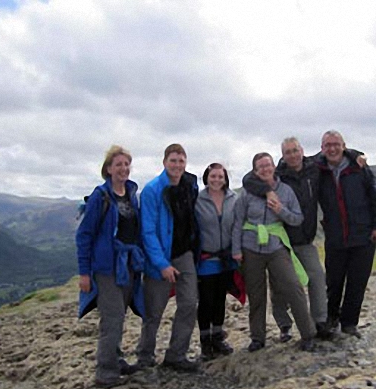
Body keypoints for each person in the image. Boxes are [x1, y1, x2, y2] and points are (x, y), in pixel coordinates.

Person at [242, 137, 365, 342]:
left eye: (295, 150)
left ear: (302, 151)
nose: (292, 155)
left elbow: (334, 151)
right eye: (288, 152)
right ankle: (284, 326)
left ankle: (320, 322)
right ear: (282, 156)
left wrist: (354, 154)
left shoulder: (314, 168)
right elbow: (248, 179)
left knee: (316, 277)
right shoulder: (278, 172)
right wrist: (267, 190)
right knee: (280, 286)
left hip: (305, 238)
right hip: (282, 240)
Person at [76, 145, 145, 388]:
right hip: (106, 267)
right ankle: (105, 372)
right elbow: (84, 235)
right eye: (118, 165)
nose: (123, 169)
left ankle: (115, 359)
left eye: (126, 164)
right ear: (108, 169)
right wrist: (84, 273)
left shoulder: (131, 194)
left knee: (120, 314)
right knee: (112, 317)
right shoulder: (100, 197)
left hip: (127, 265)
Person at [232, 152, 316, 352]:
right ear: (255, 170)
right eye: (260, 166)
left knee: (293, 287)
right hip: (250, 248)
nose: (265, 169)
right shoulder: (246, 193)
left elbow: (297, 218)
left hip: (276, 247)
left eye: (268, 165)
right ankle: (257, 338)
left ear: (273, 167)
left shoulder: (285, 191)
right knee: (256, 294)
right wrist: (236, 250)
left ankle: (307, 334)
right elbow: (237, 222)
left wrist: (280, 210)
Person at [316, 130, 376, 338]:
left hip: (363, 235)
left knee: (357, 282)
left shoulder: (359, 168)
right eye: (327, 145)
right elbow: (290, 163)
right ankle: (331, 319)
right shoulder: (318, 169)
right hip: (335, 236)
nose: (332, 148)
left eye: (336, 144)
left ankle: (349, 323)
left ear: (343, 146)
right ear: (322, 148)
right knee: (334, 281)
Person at [135, 143, 200, 372]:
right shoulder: (153, 190)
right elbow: (148, 231)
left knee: (189, 304)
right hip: (159, 258)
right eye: (173, 160)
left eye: (181, 160)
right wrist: (161, 264)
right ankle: (145, 356)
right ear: (164, 162)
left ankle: (176, 354)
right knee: (154, 311)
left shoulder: (190, 186)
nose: (177, 165)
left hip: (184, 254)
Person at [195, 163, 238, 359]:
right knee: (205, 300)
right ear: (206, 177)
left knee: (220, 298)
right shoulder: (197, 200)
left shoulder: (233, 199)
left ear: (225, 178)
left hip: (226, 258)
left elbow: (238, 225)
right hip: (205, 258)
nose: (216, 180)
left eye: (220, 176)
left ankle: (217, 337)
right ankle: (205, 342)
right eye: (213, 176)